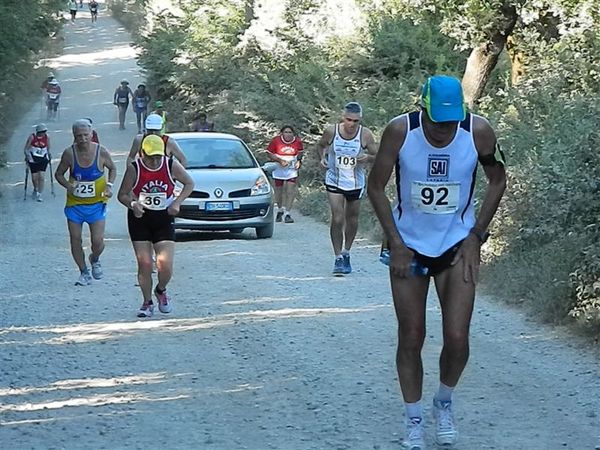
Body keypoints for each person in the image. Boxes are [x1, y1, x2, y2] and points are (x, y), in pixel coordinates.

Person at [367, 75, 507, 449]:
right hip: (409, 246)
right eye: (437, 122)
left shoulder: (478, 131)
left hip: (457, 245)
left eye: (450, 121)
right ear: (422, 110)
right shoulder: (400, 131)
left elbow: (497, 180)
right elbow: (375, 186)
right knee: (411, 336)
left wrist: (476, 236)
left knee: (458, 338)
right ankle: (413, 418)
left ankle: (443, 402)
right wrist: (395, 241)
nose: (444, 130)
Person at [117, 134, 194, 317]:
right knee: (144, 263)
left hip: (164, 217)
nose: (154, 161)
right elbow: (122, 194)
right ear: (142, 153)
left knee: (165, 265)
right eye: (150, 157)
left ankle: (160, 290)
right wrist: (133, 204)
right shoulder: (134, 168)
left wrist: (177, 202)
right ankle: (146, 302)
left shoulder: (170, 165)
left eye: (158, 156)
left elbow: (189, 183)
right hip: (140, 217)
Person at [315, 101, 378, 275]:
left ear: (360, 120)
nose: (351, 124)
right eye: (349, 120)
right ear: (343, 117)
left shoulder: (365, 135)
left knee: (352, 218)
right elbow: (321, 145)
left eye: (355, 121)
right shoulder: (332, 131)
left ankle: (347, 251)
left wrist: (367, 158)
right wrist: (323, 158)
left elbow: (376, 155)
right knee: (337, 217)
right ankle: (337, 258)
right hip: (334, 179)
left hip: (355, 182)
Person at [55, 119, 117, 286]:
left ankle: (94, 258)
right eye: (79, 136)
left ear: (91, 134)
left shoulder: (101, 152)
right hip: (75, 205)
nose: (83, 139)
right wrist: (68, 185)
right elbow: (59, 174)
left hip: (97, 204)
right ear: (74, 136)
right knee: (75, 239)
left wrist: (109, 186)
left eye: (85, 135)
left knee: (98, 241)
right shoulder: (69, 154)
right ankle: (84, 272)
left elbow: (113, 168)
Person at [266, 125, 304, 223]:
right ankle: (279, 210)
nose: (288, 134)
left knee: (290, 190)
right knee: (279, 191)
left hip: (291, 169)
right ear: (282, 133)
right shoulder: (276, 141)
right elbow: (269, 153)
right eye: (286, 132)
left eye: (290, 132)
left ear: (293, 134)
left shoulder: (297, 141)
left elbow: (300, 152)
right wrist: (279, 160)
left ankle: (287, 213)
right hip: (279, 168)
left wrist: (299, 161)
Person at [24, 124, 51, 202]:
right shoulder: (32, 137)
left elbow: (48, 147)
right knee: (34, 178)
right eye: (42, 131)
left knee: (41, 177)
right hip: (33, 159)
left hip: (43, 159)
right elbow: (26, 148)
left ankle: (39, 194)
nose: (43, 133)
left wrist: (49, 155)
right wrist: (27, 156)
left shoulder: (47, 137)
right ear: (38, 132)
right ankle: (35, 189)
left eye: (44, 131)